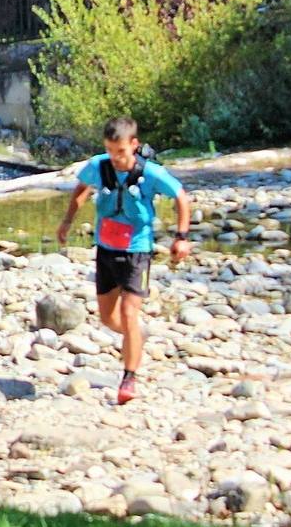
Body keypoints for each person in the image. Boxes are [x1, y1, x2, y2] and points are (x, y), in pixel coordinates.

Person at [56, 116, 191, 405]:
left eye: (121, 152)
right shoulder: (98, 166)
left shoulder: (151, 173)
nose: (115, 158)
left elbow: (181, 196)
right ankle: (135, 338)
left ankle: (129, 377)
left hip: (136, 251)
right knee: (108, 318)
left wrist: (181, 236)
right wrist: (67, 221)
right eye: (110, 150)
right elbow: (80, 188)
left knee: (130, 313)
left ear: (133, 145)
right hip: (106, 249)